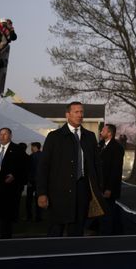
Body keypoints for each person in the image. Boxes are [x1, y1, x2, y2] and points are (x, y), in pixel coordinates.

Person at [37, 101, 104, 236]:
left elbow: (97, 165)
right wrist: (42, 193)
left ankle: (73, 256)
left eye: (82, 112)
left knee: (77, 231)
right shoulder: (54, 137)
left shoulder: (89, 136)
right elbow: (43, 166)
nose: (80, 115)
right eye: (76, 112)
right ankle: (53, 257)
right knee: (56, 231)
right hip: (58, 192)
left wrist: (99, 188)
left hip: (82, 190)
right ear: (68, 114)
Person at [99, 123, 125, 235]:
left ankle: (109, 234)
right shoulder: (100, 145)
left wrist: (109, 188)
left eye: (103, 131)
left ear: (110, 133)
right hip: (100, 185)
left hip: (109, 187)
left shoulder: (117, 148)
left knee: (108, 211)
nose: (101, 133)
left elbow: (115, 170)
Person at [25, 142, 42, 221]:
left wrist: (28, 180)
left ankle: (29, 216)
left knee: (29, 200)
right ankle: (38, 217)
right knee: (38, 199)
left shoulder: (31, 156)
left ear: (35, 147)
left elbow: (29, 170)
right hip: (40, 181)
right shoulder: (44, 156)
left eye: (32, 147)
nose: (31, 148)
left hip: (32, 180)